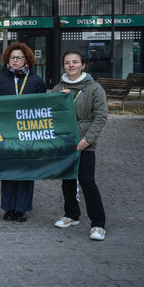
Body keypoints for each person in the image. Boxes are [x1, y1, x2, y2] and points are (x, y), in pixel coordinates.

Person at [0, 42, 47, 222]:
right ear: (7, 59)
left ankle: (22, 208)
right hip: (5, 133)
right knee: (8, 171)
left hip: (28, 133)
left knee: (26, 172)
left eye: (19, 57)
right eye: (12, 57)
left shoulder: (36, 81)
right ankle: (8, 207)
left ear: (26, 59)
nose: (15, 61)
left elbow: (43, 107)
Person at [52, 50, 108, 241]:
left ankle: (98, 224)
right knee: (67, 179)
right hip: (65, 140)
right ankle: (71, 215)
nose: (71, 65)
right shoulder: (59, 87)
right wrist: (58, 98)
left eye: (75, 62)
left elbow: (100, 116)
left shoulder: (94, 88)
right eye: (67, 62)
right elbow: (48, 108)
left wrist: (89, 138)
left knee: (87, 181)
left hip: (84, 141)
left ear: (83, 65)